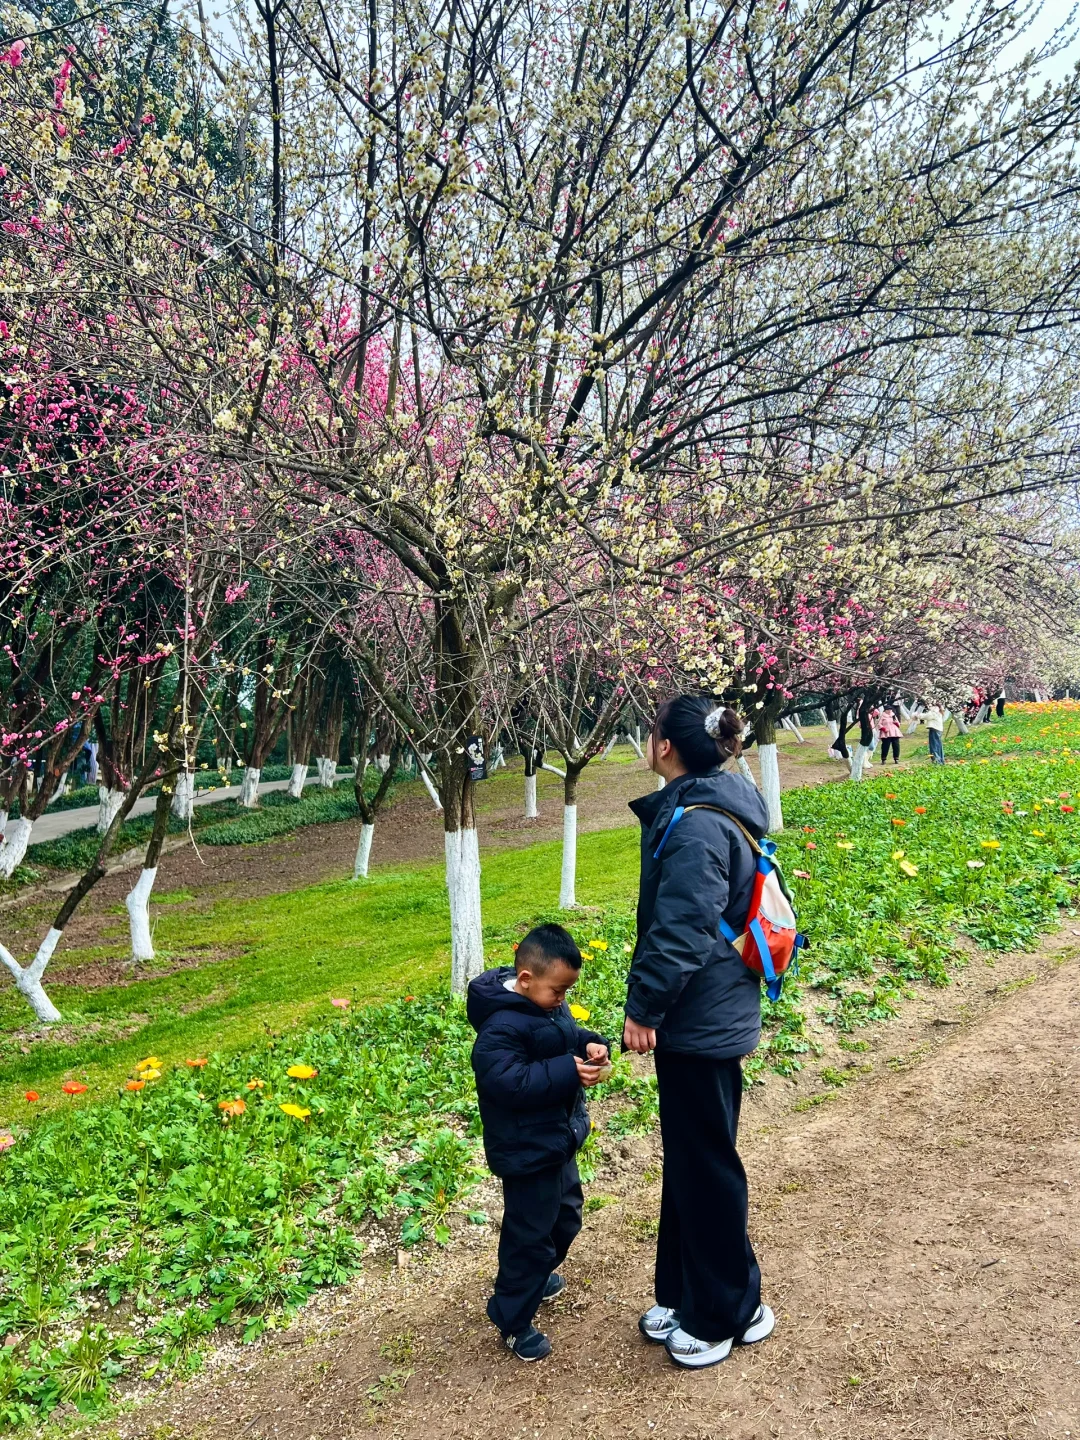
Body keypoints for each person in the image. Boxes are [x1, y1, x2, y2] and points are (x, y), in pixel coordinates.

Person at [624, 695, 775, 1370]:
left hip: (698, 1020)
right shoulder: (705, 809)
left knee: (708, 1164)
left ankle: (728, 1313)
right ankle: (688, 1292)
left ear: (665, 749)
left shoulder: (695, 827)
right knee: (693, 1158)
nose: (645, 740)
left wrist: (644, 1010)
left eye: (649, 732)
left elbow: (681, 933)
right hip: (706, 1013)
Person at [468, 923, 611, 1362]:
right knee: (529, 1238)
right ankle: (511, 1318)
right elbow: (507, 1083)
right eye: (558, 991)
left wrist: (592, 1046)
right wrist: (569, 1071)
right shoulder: (499, 1028)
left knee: (567, 1217)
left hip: (556, 1141)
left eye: (568, 991)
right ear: (526, 979)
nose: (563, 999)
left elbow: (566, 1038)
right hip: (525, 1151)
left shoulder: (547, 1006)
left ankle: (538, 1272)